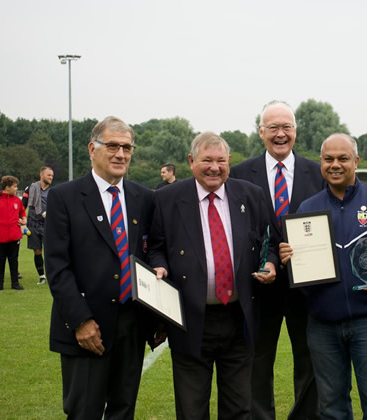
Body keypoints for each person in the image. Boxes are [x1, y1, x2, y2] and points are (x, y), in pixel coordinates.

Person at [279, 134, 367, 419]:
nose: (335, 165)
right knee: (331, 408)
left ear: (356, 161)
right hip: (321, 323)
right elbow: (299, 264)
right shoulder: (307, 208)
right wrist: (288, 258)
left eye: (342, 158)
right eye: (328, 159)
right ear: (321, 162)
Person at [149, 131, 276, 419]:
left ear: (229, 161)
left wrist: (269, 264)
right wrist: (159, 265)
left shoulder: (251, 195)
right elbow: (155, 247)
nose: (214, 167)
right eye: (207, 160)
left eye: (221, 161)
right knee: (192, 410)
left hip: (239, 319)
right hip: (190, 319)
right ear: (192, 161)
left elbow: (268, 241)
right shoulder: (166, 198)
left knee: (238, 408)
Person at [45, 116, 162, 419]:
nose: (120, 154)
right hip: (86, 328)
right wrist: (81, 321)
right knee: (83, 411)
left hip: (132, 326)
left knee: (123, 411)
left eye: (127, 147)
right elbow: (57, 267)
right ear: (91, 149)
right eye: (112, 146)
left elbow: (154, 255)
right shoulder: (64, 197)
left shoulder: (145, 198)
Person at [230, 100, 322, 420]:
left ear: (296, 131)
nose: (280, 134)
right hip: (260, 287)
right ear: (261, 132)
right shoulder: (240, 174)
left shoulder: (317, 172)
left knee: (310, 360)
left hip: (309, 286)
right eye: (273, 128)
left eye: (287, 127)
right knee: (257, 361)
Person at [21, 166, 53, 285]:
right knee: (37, 251)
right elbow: (22, 206)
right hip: (33, 223)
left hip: (48, 225)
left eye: (52, 176)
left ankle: (51, 276)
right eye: (49, 175)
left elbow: (56, 208)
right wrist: (21, 219)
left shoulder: (53, 191)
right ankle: (42, 276)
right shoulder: (31, 188)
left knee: (50, 251)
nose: (51, 177)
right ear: (42, 175)